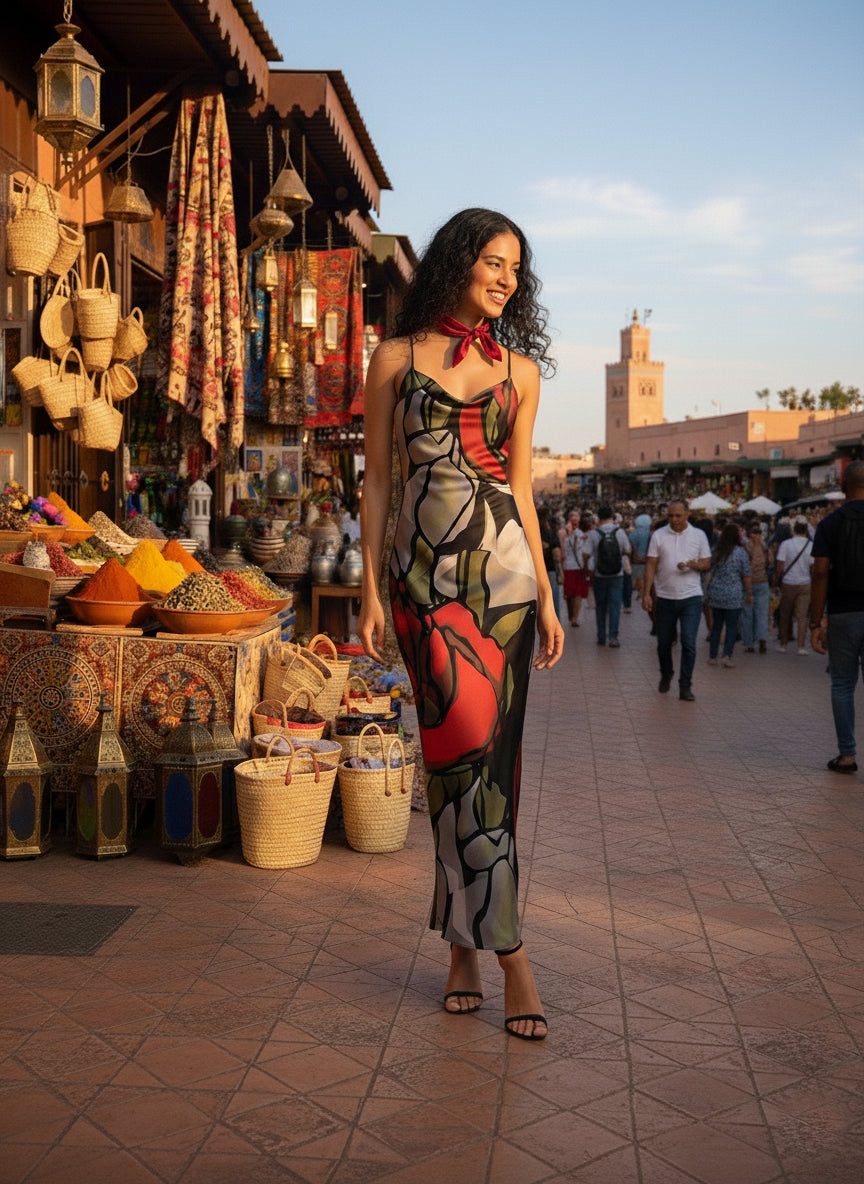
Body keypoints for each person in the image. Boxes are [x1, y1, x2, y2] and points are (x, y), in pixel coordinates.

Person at [358, 208, 564, 1041]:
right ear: (457, 263)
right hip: (421, 585)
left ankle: (469, 951)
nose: (506, 276)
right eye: (492, 260)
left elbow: (518, 490)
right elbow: (376, 482)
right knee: (456, 765)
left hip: (505, 586)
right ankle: (507, 952)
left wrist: (547, 596)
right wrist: (372, 589)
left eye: (516, 266)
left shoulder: (521, 372)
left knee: (487, 771)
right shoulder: (395, 360)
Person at [810, 460, 864, 773]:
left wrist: (816, 622)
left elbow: (819, 573)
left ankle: (847, 755)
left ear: (842, 486)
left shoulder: (830, 524)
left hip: (843, 613)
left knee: (843, 684)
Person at [642, 499, 712, 700]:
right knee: (663, 643)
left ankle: (685, 685)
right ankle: (666, 673)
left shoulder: (698, 535)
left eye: (678, 515)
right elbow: (650, 565)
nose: (674, 519)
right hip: (665, 597)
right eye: (670, 516)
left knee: (688, 641)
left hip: (691, 597)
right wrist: (647, 593)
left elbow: (707, 562)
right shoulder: (658, 535)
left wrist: (695, 565)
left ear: (687, 514)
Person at [581, 504, 631, 647]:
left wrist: (587, 570)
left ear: (599, 518)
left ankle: (601, 636)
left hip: (600, 575)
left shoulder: (593, 534)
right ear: (612, 517)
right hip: (617, 575)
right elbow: (627, 551)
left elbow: (585, 554)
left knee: (601, 607)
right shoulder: (620, 532)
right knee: (615, 607)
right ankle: (613, 637)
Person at [706, 523, 752, 667]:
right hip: (734, 594)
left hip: (716, 593)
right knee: (732, 627)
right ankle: (727, 656)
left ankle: (713, 656)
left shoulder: (716, 550)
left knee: (716, 626)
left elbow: (709, 572)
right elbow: (746, 576)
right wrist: (749, 593)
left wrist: (706, 591)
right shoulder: (741, 553)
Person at [774, 517, 814, 654]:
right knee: (802, 616)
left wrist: (776, 581)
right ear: (806, 530)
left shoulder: (786, 544)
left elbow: (780, 566)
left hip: (788, 583)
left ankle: (783, 644)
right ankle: (801, 647)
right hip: (805, 583)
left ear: (793, 529)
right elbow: (813, 566)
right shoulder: (811, 545)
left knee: (785, 614)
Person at [741, 521, 770, 653]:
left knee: (748, 614)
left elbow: (743, 565)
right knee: (762, 613)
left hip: (749, 582)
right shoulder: (765, 546)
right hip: (763, 581)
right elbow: (771, 561)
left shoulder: (746, 547)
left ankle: (749, 643)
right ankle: (762, 638)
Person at [561, 510, 590, 627]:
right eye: (572, 516)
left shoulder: (580, 533)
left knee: (576, 593)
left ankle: (574, 617)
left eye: (576, 516)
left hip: (577, 567)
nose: (574, 518)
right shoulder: (564, 532)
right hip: (569, 566)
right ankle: (572, 616)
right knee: (570, 594)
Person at [537, 504, 563, 622]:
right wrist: (561, 572)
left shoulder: (531, 533)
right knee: (552, 601)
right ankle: (553, 624)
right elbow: (557, 556)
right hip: (550, 570)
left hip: (533, 572)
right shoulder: (552, 534)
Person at [629, 513, 652, 603]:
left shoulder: (633, 534)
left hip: (636, 559)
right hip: (648, 558)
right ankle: (644, 591)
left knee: (638, 575)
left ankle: (640, 590)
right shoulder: (651, 533)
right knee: (646, 575)